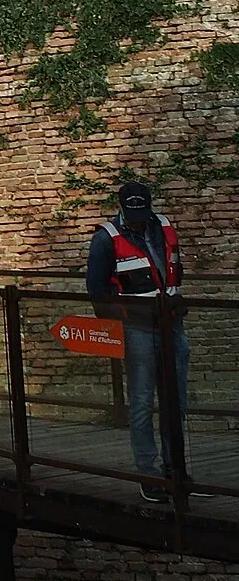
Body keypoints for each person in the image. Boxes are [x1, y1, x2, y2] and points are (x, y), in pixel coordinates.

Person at [86, 179, 189, 503]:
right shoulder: (106, 238)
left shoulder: (164, 227)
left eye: (142, 214)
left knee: (176, 402)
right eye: (132, 215)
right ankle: (149, 474)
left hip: (171, 324)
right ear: (121, 208)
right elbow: (97, 291)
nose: (138, 221)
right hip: (138, 328)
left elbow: (175, 270)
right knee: (143, 402)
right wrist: (119, 323)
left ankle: (176, 470)